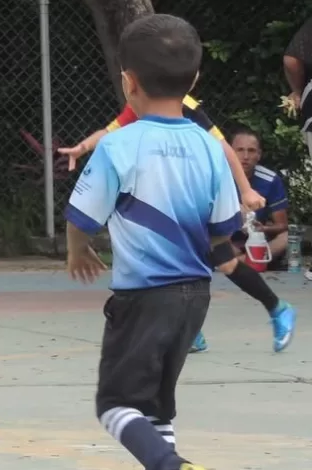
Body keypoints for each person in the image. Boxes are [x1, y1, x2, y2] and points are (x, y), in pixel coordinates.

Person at [65, 14, 238, 470]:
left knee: (116, 405)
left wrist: (77, 249)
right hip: (196, 297)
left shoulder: (119, 147)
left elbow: (83, 216)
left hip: (143, 296)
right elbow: (224, 229)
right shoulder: (210, 146)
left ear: (128, 82)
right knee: (157, 406)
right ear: (194, 80)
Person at [60, 92, 296, 354]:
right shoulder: (140, 102)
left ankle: (273, 310)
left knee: (203, 259)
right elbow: (109, 130)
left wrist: (245, 190)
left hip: (193, 190)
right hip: (167, 194)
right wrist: (82, 148)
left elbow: (223, 147)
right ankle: (198, 330)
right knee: (219, 261)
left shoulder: (182, 103)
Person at [230, 127, 290, 267]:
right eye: (239, 150)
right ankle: (249, 262)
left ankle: (239, 264)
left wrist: (264, 229)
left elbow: (282, 225)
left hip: (257, 241)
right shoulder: (216, 178)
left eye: (251, 151)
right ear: (229, 153)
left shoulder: (270, 179)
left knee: (286, 238)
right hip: (226, 242)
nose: (245, 156)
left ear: (259, 154)